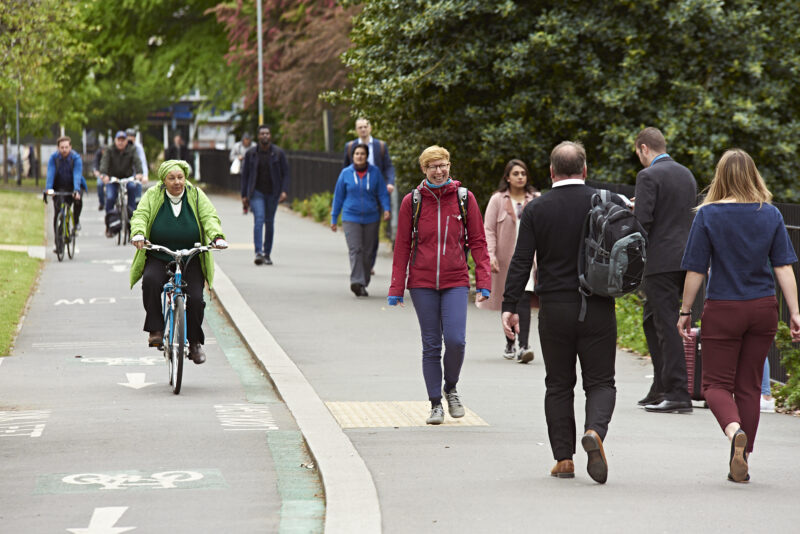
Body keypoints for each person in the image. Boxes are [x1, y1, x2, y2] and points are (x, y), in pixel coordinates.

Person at [502, 141, 624, 484]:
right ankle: (595, 430)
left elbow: (522, 260)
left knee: (558, 384)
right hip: (598, 305)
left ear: (551, 172)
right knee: (601, 382)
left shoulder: (537, 209)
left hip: (554, 308)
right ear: (584, 170)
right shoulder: (606, 201)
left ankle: (564, 459)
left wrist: (511, 306)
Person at [678, 148, 800, 483]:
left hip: (724, 307)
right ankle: (742, 459)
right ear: (752, 175)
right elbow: (783, 267)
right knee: (748, 385)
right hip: (762, 307)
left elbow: (695, 269)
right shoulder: (771, 214)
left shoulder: (708, 214)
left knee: (715, 384)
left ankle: (734, 433)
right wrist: (795, 311)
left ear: (720, 176)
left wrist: (686, 310)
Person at [388, 145, 491, 425]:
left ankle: (451, 388)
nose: (438, 170)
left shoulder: (464, 198)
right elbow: (402, 246)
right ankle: (435, 403)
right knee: (431, 345)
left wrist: (483, 279)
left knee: (456, 341)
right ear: (424, 169)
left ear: (449, 166)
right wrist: (397, 287)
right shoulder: (413, 201)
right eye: (432, 166)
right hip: (421, 283)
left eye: (443, 164)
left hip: (455, 280)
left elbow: (479, 241)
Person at [130, 160, 228, 364]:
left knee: (196, 299)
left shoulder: (195, 195)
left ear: (186, 178)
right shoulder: (153, 195)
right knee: (150, 281)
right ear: (163, 180)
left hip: (190, 257)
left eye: (180, 177)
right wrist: (138, 233)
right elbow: (141, 215)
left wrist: (216, 237)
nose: (177, 182)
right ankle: (156, 329)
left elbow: (209, 217)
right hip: (160, 254)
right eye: (171, 178)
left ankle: (194, 343)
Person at [633, 127, 698, 413]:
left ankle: (678, 392)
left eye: (638, 154)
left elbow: (642, 222)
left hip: (660, 261)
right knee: (652, 320)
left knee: (668, 325)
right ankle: (660, 385)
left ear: (644, 148)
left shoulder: (647, 176)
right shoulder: (687, 174)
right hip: (687, 258)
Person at [477, 158, 540, 363]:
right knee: (510, 299)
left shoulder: (536, 199)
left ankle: (524, 346)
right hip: (506, 261)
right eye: (516, 174)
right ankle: (510, 342)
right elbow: (488, 230)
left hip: (531, 260)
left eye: (523, 173)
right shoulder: (497, 200)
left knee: (524, 298)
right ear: (507, 177)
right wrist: (491, 255)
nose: (520, 177)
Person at [331, 143, 391, 296]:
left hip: (371, 217)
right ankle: (357, 281)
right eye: (357, 153)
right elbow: (338, 196)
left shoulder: (375, 172)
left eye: (362, 154)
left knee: (368, 252)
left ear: (366, 156)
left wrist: (386, 209)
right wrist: (333, 217)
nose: (359, 156)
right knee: (356, 249)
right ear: (353, 156)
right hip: (351, 217)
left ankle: (363, 282)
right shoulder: (345, 173)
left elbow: (382, 193)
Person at [344, 118, 397, 264]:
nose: (363, 129)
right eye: (360, 127)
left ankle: (369, 262)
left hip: (377, 191)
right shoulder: (350, 147)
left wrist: (390, 183)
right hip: (357, 192)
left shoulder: (380, 146)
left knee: (372, 231)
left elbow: (389, 166)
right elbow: (345, 170)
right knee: (357, 232)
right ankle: (360, 261)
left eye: (365, 126)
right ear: (356, 130)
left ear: (370, 128)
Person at [240, 125, 290, 265]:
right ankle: (258, 252)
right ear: (258, 136)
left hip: (273, 193)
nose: (265, 136)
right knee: (259, 219)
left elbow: (286, 173)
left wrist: (284, 191)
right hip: (256, 192)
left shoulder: (278, 153)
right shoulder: (251, 153)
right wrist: (244, 194)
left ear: (270, 135)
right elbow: (245, 175)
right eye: (262, 133)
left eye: (267, 133)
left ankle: (267, 253)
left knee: (269, 222)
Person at [99, 130, 144, 237]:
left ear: (126, 141)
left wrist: (139, 173)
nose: (120, 142)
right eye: (118, 140)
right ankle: (109, 225)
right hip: (113, 179)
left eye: (123, 140)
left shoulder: (131, 149)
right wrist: (104, 174)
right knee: (110, 198)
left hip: (127, 178)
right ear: (115, 141)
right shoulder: (110, 150)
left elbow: (137, 162)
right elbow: (104, 162)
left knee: (132, 188)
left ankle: (132, 220)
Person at [45, 136, 86, 236]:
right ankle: (58, 243)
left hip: (73, 185)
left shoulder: (75, 158)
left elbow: (77, 174)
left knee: (78, 201)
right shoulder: (54, 158)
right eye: (62, 147)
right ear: (58, 148)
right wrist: (49, 188)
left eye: (66, 147)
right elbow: (50, 173)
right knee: (58, 211)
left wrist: (76, 190)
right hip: (59, 187)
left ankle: (76, 222)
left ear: (70, 147)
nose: (64, 150)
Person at [93, 144, 105, 210]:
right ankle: (102, 203)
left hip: (110, 174)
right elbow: (95, 163)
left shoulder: (111, 153)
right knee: (99, 184)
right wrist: (96, 171)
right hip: (101, 173)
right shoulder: (98, 154)